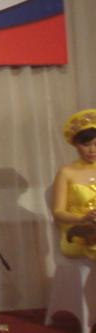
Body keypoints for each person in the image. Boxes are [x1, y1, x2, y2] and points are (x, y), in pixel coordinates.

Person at [52, 108, 96, 261]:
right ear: (76, 145)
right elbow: (58, 212)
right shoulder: (66, 172)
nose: (92, 150)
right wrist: (82, 218)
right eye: (86, 145)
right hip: (78, 231)